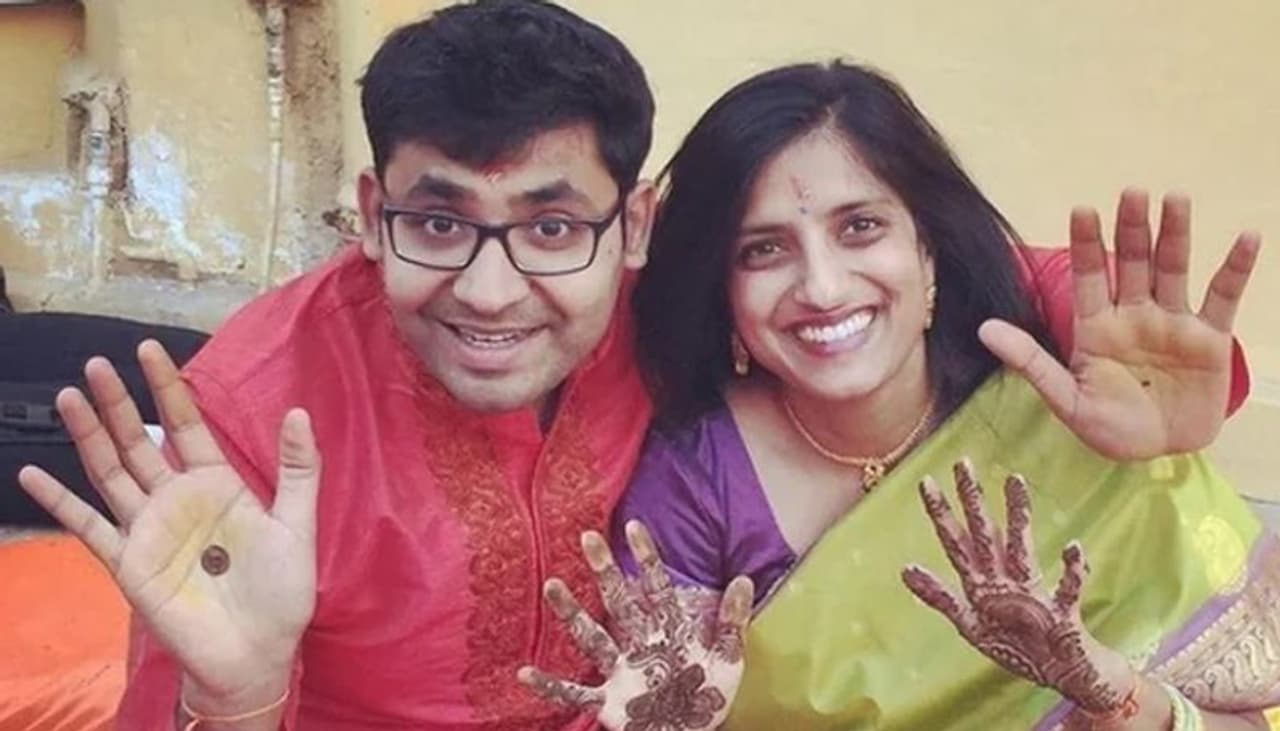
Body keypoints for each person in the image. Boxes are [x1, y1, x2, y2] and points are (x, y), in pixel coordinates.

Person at [12, 5, 1256, 731]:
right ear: (371, 211)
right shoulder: (251, 413)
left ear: (637, 224)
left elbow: (975, 276)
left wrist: (1195, 380)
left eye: (552, 225)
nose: (490, 291)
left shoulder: (688, 293)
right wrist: (235, 699)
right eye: (438, 220)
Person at [521, 62, 1277, 730]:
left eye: (860, 227)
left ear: (929, 252)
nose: (822, 287)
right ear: (725, 294)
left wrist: (1119, 698)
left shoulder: (1069, 409)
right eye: (764, 249)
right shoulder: (696, 485)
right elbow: (664, 698)